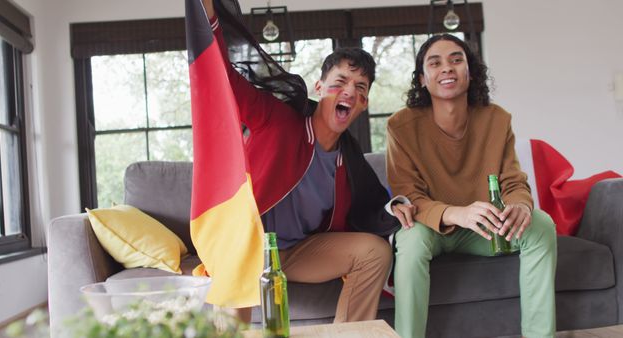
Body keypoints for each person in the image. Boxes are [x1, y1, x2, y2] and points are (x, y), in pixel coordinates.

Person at [201, 0, 414, 323]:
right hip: (246, 247)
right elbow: (226, 78)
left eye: (360, 88)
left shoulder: (349, 158)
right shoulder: (276, 119)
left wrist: (394, 206)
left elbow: (372, 204)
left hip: (297, 253)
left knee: (375, 252)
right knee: (234, 272)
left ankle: (350, 335)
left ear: (364, 104)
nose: (349, 92)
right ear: (319, 87)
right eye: (339, 82)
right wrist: (210, 17)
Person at [386, 34, 557, 338]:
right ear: (423, 79)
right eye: (435, 63)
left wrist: (519, 204)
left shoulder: (497, 119)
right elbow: (409, 195)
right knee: (409, 241)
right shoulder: (400, 126)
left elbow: (513, 180)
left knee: (541, 225)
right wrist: (456, 213)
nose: (447, 69)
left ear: (471, 72)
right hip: (432, 228)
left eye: (456, 60)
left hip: (486, 228)